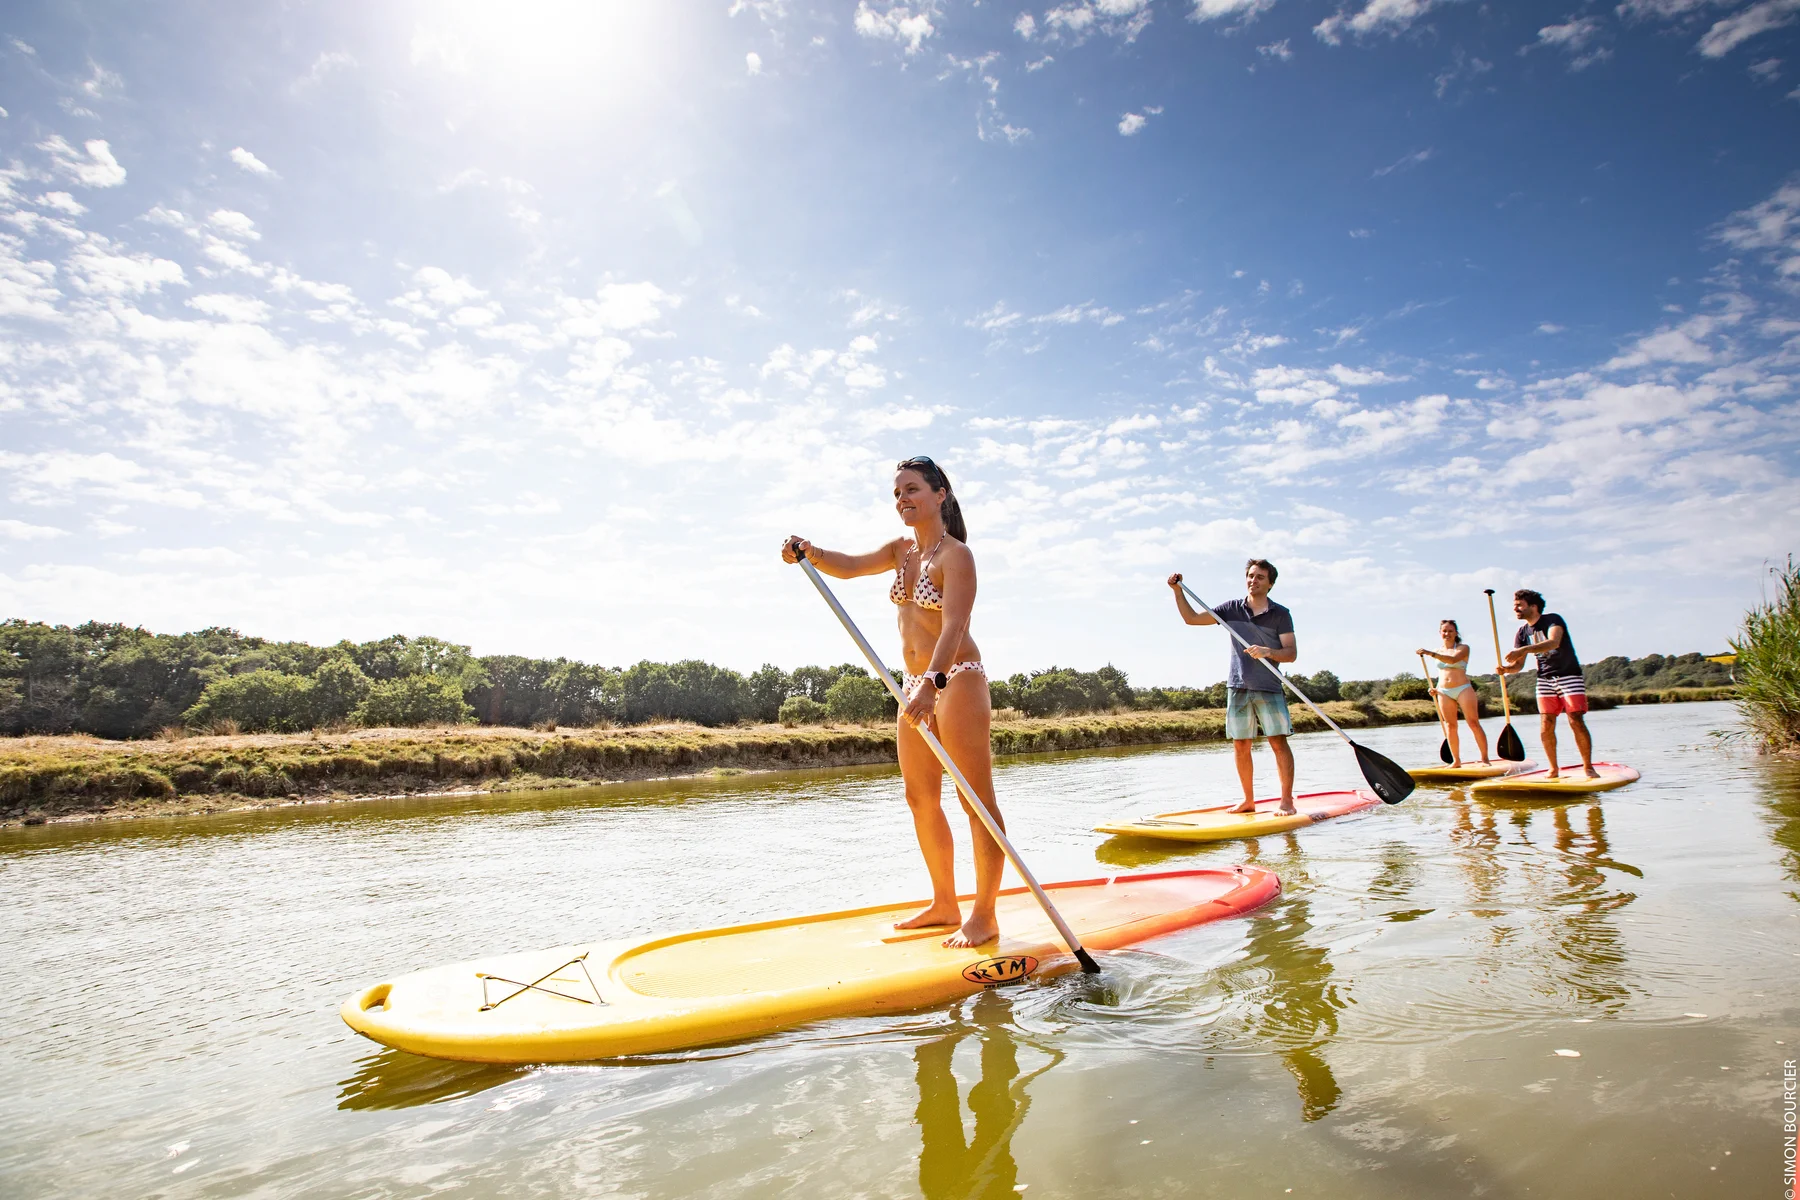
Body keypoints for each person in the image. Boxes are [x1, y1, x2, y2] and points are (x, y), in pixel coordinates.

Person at [782, 456, 1003, 948]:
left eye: (912, 489)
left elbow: (955, 626)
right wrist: (811, 553)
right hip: (910, 683)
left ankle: (984, 915)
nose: (902, 499)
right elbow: (851, 566)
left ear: (939, 493)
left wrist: (934, 683)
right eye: (897, 493)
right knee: (919, 797)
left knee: (976, 802)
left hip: (956, 680)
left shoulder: (956, 556)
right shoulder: (902, 551)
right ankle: (945, 904)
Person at [1166, 559, 1298, 815]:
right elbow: (1191, 619)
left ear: (1270, 584)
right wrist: (1177, 592)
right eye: (1250, 576)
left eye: (1260, 577)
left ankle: (1287, 801)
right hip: (1237, 686)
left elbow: (1291, 653)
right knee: (1240, 744)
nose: (1253, 580)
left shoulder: (1281, 614)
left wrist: (1268, 651)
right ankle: (1248, 801)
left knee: (1277, 742)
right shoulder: (1231, 609)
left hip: (1268, 687)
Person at [1503, 589, 1597, 779]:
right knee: (1546, 723)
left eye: (1519, 605)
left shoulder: (1553, 620)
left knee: (1575, 720)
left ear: (1533, 606)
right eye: (1514, 605)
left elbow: (1553, 642)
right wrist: (1506, 669)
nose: (1515, 609)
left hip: (1569, 675)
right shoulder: (1522, 632)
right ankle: (1553, 769)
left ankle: (1588, 767)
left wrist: (1523, 650)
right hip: (1544, 679)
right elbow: (1518, 665)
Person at [1418, 619, 1491, 767]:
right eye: (1444, 631)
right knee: (1450, 725)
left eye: (1450, 631)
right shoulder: (1438, 651)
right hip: (1443, 691)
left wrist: (1429, 653)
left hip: (1463, 688)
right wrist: (1435, 689)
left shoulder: (1463, 648)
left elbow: (1453, 660)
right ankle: (1456, 761)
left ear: (1456, 633)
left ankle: (1485, 759)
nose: (1447, 634)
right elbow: (1442, 672)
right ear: (1440, 633)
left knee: (1473, 723)